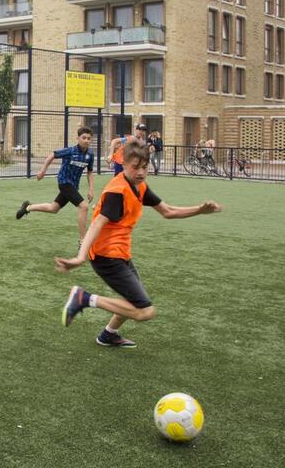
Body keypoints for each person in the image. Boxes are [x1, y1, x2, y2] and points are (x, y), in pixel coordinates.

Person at [55, 143, 222, 348]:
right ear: (123, 164)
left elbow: (167, 211)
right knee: (145, 311)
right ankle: (84, 298)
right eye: (136, 167)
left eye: (145, 166)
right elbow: (97, 223)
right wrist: (80, 257)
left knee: (134, 299)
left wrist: (199, 210)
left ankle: (109, 334)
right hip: (105, 256)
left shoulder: (139, 185)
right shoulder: (117, 191)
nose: (141, 172)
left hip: (121, 253)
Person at [16, 127, 96, 242]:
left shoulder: (90, 155)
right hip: (64, 183)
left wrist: (91, 189)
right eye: (84, 138)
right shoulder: (70, 151)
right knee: (83, 207)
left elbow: (89, 172)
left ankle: (27, 207)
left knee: (53, 208)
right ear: (78, 138)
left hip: (73, 186)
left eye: (89, 138)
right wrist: (43, 170)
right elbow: (52, 155)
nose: (86, 140)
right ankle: (83, 241)